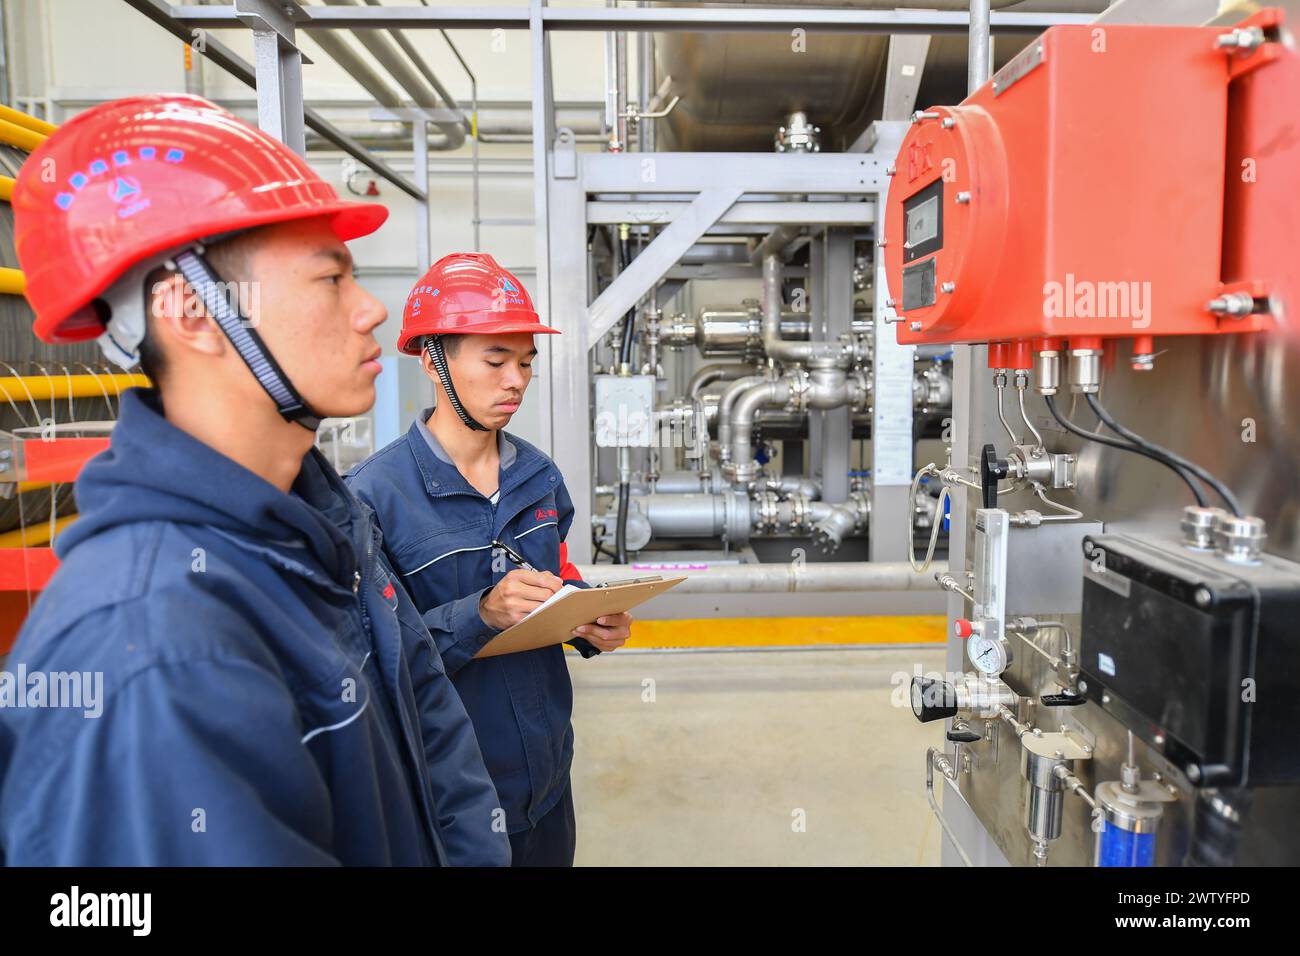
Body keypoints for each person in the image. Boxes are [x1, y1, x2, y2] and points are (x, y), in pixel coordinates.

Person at [0, 95, 509, 866]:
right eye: (330, 278)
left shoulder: (328, 525)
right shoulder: (153, 644)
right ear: (194, 313)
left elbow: (429, 720)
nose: (371, 309)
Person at [346, 253, 631, 866]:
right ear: (433, 359)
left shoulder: (538, 474)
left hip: (548, 779)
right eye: (496, 360)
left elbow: (560, 571)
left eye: (525, 362)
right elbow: (371, 663)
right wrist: (480, 614)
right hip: (449, 797)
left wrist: (588, 618)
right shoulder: (373, 496)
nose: (517, 381)